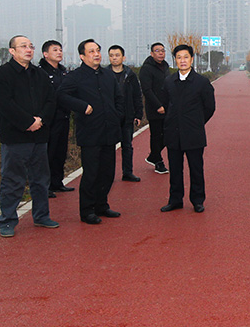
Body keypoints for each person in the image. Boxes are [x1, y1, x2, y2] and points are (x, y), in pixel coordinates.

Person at [0, 35, 59, 237]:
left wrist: (40, 121)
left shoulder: (39, 74)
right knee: (13, 180)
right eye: (23, 46)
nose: (28, 50)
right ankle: (7, 220)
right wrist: (27, 122)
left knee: (40, 180)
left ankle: (41, 216)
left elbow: (51, 100)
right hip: (15, 137)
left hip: (39, 136)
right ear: (12, 51)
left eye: (31, 46)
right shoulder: (2, 74)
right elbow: (5, 104)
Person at [57, 39, 124, 225]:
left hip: (109, 131)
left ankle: (102, 205)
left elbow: (119, 98)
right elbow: (61, 96)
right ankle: (87, 211)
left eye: (98, 50)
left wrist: (117, 115)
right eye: (91, 51)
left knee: (108, 172)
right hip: (90, 133)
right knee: (91, 173)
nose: (96, 54)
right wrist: (81, 106)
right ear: (82, 56)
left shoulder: (107, 75)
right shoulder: (75, 76)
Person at [160, 44, 215, 214]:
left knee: (196, 169)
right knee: (175, 169)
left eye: (185, 57)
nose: (182, 60)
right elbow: (165, 103)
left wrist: (197, 122)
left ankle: (197, 200)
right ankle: (175, 200)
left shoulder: (202, 82)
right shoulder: (169, 81)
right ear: (175, 60)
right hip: (173, 133)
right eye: (179, 57)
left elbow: (210, 108)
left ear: (192, 59)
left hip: (193, 133)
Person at [38, 40, 74, 197]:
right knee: (48, 153)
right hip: (49, 119)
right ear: (46, 54)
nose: (59, 52)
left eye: (60, 50)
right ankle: (45, 186)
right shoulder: (40, 73)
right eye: (55, 50)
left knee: (60, 151)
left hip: (63, 117)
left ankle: (57, 182)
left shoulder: (63, 72)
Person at [107, 45, 143, 182]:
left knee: (127, 146)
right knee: (109, 147)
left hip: (127, 116)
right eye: (111, 55)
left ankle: (127, 172)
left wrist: (138, 114)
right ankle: (108, 174)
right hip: (110, 117)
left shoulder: (130, 75)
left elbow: (137, 96)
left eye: (117, 55)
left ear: (123, 57)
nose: (114, 58)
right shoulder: (104, 74)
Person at [139, 42, 169, 174]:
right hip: (154, 108)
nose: (161, 53)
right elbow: (147, 90)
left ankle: (153, 155)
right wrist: (158, 106)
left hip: (168, 106)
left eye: (163, 50)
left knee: (168, 134)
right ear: (152, 54)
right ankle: (158, 161)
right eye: (157, 51)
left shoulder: (166, 66)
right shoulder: (146, 69)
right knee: (157, 135)